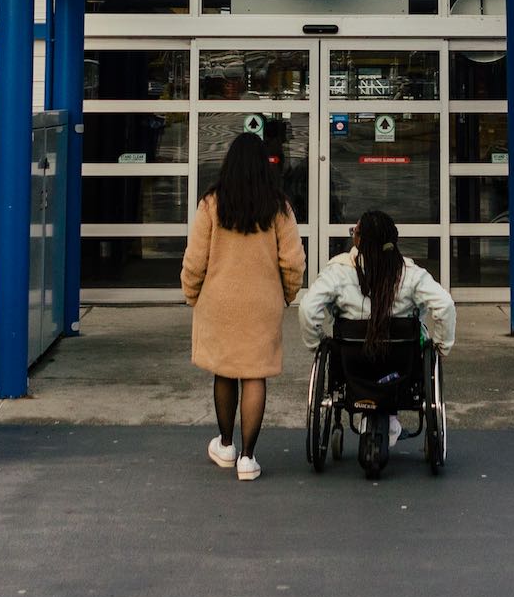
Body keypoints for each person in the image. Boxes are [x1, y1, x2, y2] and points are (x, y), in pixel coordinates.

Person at [181, 130, 305, 481]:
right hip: (262, 303)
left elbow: (195, 260)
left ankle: (225, 444)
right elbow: (293, 262)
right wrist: (287, 294)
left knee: (225, 371)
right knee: (254, 375)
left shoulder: (211, 204)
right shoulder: (278, 207)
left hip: (219, 302)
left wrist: (192, 294)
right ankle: (248, 458)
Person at [299, 209, 456, 458]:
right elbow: (445, 306)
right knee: (419, 338)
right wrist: (441, 346)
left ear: (358, 240)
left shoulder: (338, 272)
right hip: (401, 365)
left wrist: (316, 343)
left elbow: (308, 308)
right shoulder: (411, 274)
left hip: (353, 363)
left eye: (355, 232)